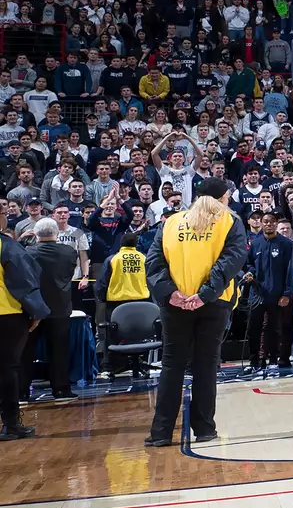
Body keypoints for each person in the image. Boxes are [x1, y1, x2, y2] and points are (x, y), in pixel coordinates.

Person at [145, 178, 249, 447]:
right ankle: (204, 429)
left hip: (175, 305)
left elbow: (154, 262)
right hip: (213, 304)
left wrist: (170, 293)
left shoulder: (170, 222)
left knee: (171, 364)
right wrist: (204, 295)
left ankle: (161, 432)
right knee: (205, 365)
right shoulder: (229, 221)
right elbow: (232, 261)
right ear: (222, 198)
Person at [0, 226, 47, 441]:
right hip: (7, 314)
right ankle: (11, 424)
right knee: (8, 369)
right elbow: (25, 283)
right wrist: (36, 312)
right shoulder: (7, 246)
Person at [25, 218, 79, 403]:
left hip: (32, 308)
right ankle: (61, 390)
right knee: (59, 351)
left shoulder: (28, 252)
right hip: (60, 308)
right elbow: (69, 274)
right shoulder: (69, 251)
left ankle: (22, 392)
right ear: (57, 233)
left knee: (25, 351)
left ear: (35, 233)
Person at [244, 211, 293, 375]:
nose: (268, 224)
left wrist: (287, 293)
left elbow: (291, 270)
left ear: (276, 224)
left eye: (272, 222)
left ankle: (273, 361)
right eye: (265, 221)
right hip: (257, 294)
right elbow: (249, 264)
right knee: (254, 329)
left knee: (275, 329)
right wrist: (250, 273)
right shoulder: (255, 244)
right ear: (261, 223)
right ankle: (254, 361)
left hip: (277, 294)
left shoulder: (286, 245)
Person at [95, 233, 150, 376]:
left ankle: (108, 366)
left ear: (121, 244)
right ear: (136, 244)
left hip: (117, 304)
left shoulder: (113, 259)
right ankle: (140, 361)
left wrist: (101, 298)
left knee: (111, 335)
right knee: (139, 333)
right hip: (141, 303)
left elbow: (101, 283)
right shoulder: (144, 258)